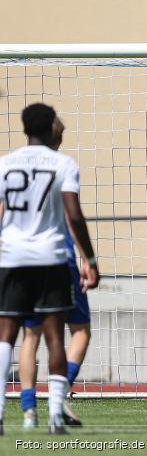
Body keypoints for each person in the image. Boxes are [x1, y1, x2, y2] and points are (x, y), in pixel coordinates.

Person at [0, 103, 99, 435]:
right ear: (51, 128)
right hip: (52, 256)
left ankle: (6, 414)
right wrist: (91, 260)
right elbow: (73, 214)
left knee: (8, 337)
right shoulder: (63, 164)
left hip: (11, 257)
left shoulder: (5, 163)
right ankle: (55, 415)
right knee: (56, 336)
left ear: (25, 127)